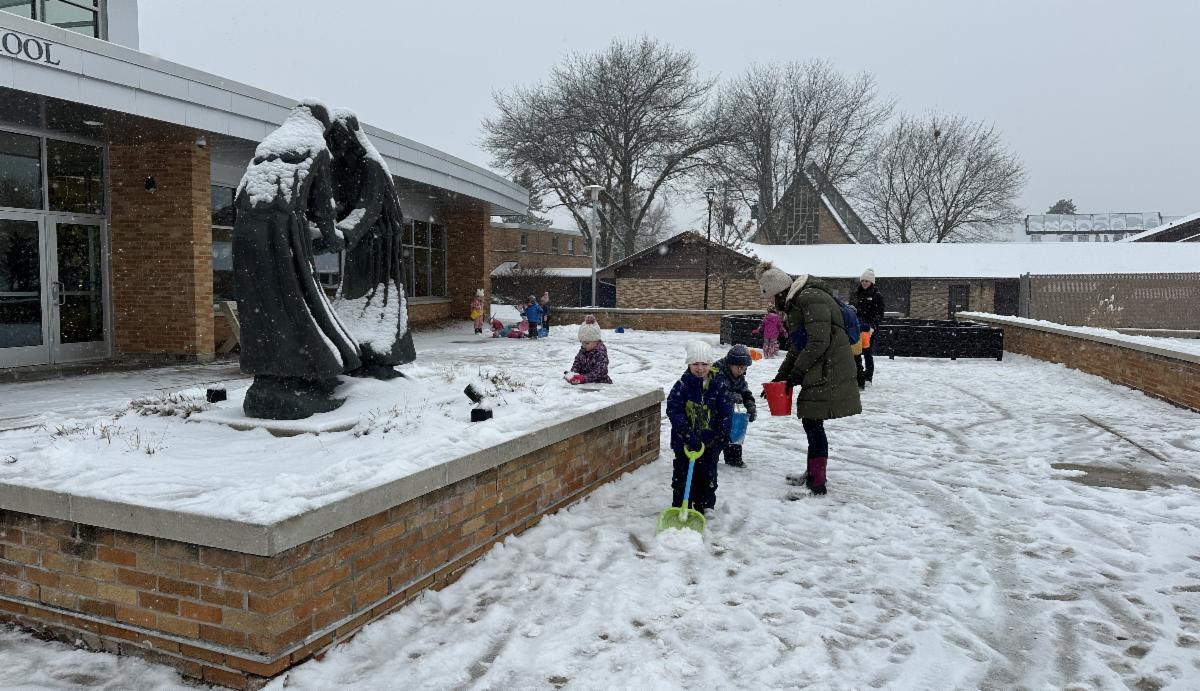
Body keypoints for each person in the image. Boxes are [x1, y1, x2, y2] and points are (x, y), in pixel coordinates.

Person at [233, 100, 361, 419]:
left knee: (262, 305)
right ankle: (299, 375)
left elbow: (240, 196)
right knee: (295, 301)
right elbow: (323, 206)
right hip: (281, 230)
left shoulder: (267, 146)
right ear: (321, 125)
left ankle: (269, 374)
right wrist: (331, 238)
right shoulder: (315, 147)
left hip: (245, 233)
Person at [755, 261, 861, 496]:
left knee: (812, 421)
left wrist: (796, 374)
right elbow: (797, 347)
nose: (773, 303)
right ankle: (813, 474)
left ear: (780, 291)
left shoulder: (809, 298)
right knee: (811, 421)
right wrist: (780, 378)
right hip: (820, 367)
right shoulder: (798, 302)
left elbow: (818, 342)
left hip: (830, 368)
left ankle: (817, 482)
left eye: (772, 297)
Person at [327, 109, 415, 379]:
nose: (334, 143)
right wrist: (327, 226)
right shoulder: (336, 167)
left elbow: (369, 207)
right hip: (358, 239)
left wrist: (343, 232)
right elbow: (338, 204)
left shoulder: (370, 164)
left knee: (377, 290)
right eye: (330, 138)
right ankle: (351, 341)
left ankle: (380, 348)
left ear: (350, 136)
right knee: (354, 288)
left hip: (380, 239)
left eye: (338, 137)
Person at [665, 341, 732, 515]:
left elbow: (726, 410)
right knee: (682, 475)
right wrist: (686, 434)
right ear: (689, 364)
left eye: (704, 364)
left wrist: (722, 433)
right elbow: (673, 409)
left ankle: (705, 504)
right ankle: (681, 506)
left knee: (708, 474)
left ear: (711, 364)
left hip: (710, 442)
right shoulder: (682, 385)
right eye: (695, 364)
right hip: (685, 443)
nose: (700, 368)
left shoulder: (719, 385)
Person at [711, 345, 757, 468]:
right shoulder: (717, 372)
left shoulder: (738, 375)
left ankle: (733, 458)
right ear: (730, 364)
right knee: (715, 435)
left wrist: (750, 404)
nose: (741, 371)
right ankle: (709, 459)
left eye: (744, 368)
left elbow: (744, 391)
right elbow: (714, 392)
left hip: (727, 411)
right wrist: (729, 396)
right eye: (739, 367)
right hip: (712, 410)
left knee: (735, 427)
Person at [851, 268, 885, 389]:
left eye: (867, 281)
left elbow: (879, 314)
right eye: (863, 281)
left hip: (869, 328)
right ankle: (858, 375)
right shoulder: (856, 294)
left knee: (867, 352)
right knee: (856, 351)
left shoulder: (877, 296)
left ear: (871, 282)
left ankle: (868, 377)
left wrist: (872, 326)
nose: (864, 283)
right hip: (857, 327)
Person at [566, 315, 612, 384]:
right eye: (582, 342)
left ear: (596, 341)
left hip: (600, 383)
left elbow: (600, 372)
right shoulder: (583, 351)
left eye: (587, 343)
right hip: (585, 383)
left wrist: (584, 378)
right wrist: (573, 373)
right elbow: (577, 363)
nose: (584, 345)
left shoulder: (600, 353)